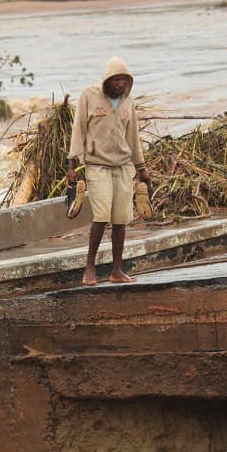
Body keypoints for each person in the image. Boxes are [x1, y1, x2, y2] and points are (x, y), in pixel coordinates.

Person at [67, 56, 152, 286]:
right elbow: (78, 130)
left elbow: (133, 136)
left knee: (121, 219)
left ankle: (116, 270)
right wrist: (72, 165)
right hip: (98, 166)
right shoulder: (89, 96)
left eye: (125, 80)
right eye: (116, 80)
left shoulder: (128, 102)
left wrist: (141, 168)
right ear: (107, 80)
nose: (120, 84)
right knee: (102, 215)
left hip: (123, 167)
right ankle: (90, 268)